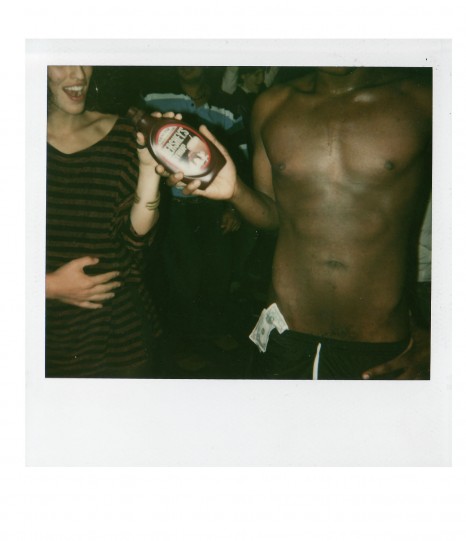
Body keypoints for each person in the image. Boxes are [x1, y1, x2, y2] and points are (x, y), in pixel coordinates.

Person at [167, 66, 432, 380]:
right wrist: (237, 191)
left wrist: (447, 338)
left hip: (380, 344)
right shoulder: (273, 105)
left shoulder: (422, 99)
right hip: (286, 336)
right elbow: (272, 216)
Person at [46, 65, 179, 378]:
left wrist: (148, 170)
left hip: (119, 331)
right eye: (62, 60)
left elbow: (134, 240)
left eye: (84, 59)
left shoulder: (121, 133)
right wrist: (47, 287)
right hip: (37, 335)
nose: (79, 74)